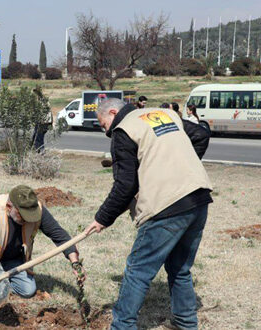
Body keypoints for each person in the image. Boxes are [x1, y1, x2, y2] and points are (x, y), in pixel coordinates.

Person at [84, 98, 213, 330]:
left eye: (104, 125)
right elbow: (201, 135)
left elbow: (125, 186)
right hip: (199, 197)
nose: (107, 132)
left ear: (113, 112)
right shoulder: (165, 114)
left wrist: (102, 218)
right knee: (180, 268)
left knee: (137, 270)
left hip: (166, 207)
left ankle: (122, 326)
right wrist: (179, 170)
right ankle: (185, 323)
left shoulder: (123, 130)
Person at [32, 88, 52, 153]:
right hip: (46, 123)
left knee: (38, 138)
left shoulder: (40, 102)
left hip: (41, 123)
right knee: (38, 137)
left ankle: (41, 152)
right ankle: (40, 151)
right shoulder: (45, 101)